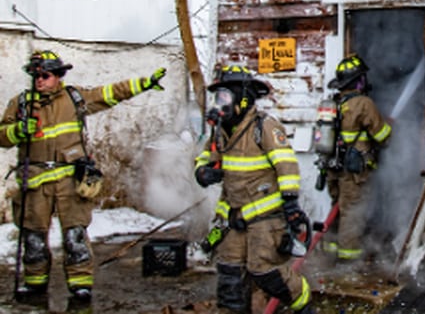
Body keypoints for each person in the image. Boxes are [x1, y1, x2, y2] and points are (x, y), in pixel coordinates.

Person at [0, 49, 166, 307]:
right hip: (34, 183)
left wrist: (143, 84)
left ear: (58, 76)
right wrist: (17, 131)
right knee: (33, 237)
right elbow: (1, 136)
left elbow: (109, 94)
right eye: (35, 76)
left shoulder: (73, 98)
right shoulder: (20, 104)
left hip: (69, 182)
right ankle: (35, 284)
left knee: (75, 236)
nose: (39, 80)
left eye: (45, 75)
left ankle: (80, 286)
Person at [194, 64, 316, 314]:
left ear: (244, 98)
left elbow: (286, 165)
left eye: (225, 96)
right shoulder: (220, 131)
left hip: (265, 217)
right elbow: (204, 157)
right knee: (229, 274)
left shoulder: (265, 127)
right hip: (232, 216)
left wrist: (291, 203)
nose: (220, 103)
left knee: (265, 271)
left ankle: (303, 303)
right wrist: (202, 171)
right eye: (219, 97)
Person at [325, 54, 392, 266]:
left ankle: (329, 252)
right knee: (352, 212)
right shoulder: (363, 103)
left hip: (332, 168)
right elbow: (382, 136)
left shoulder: (333, 103)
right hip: (354, 172)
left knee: (337, 207)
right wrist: (389, 126)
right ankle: (348, 262)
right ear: (358, 81)